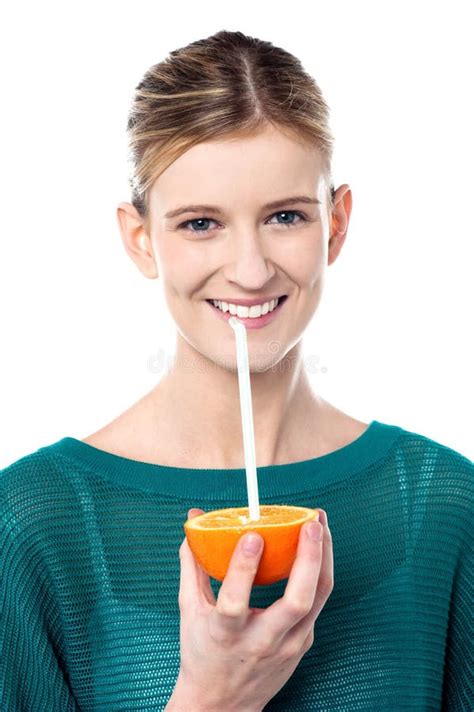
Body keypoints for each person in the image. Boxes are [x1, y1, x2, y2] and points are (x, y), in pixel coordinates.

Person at [1, 29, 472, 712]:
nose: (250, 271)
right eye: (200, 224)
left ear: (336, 225)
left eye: (285, 216)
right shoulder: (31, 525)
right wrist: (211, 698)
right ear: (140, 238)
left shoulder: (444, 504)